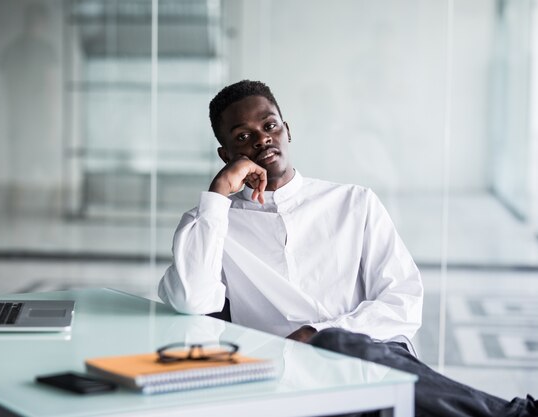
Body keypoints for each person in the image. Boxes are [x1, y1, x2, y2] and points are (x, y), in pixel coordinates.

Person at [158, 80, 537, 417]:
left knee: (346, 349)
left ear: (287, 131)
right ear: (225, 155)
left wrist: (319, 334)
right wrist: (218, 195)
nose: (262, 139)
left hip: (367, 357)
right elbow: (191, 298)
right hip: (276, 374)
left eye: (270, 126)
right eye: (242, 136)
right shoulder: (210, 222)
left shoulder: (354, 202)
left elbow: (403, 301)